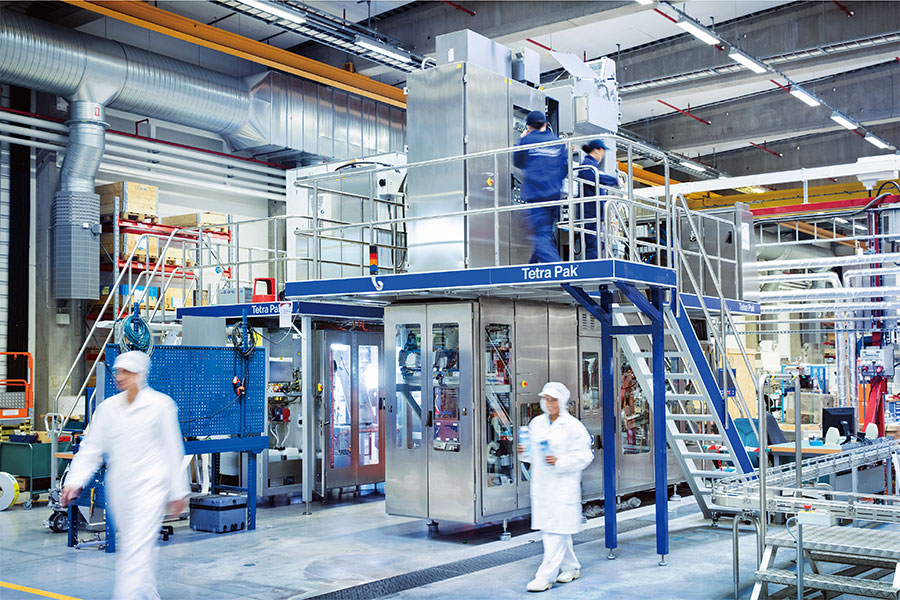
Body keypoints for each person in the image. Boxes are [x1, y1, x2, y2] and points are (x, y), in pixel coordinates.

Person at [61, 350, 189, 600]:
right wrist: (74, 481)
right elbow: (91, 447)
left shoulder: (161, 406)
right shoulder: (108, 409)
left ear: (140, 374)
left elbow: (173, 449)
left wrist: (178, 491)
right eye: (119, 372)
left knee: (135, 549)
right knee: (135, 545)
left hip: (151, 486)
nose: (120, 377)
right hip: (120, 487)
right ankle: (149, 595)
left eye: (126, 372)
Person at [518, 382, 593, 592]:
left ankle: (544, 577)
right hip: (543, 487)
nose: (549, 403)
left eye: (553, 400)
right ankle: (571, 567)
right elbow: (533, 455)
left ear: (562, 401)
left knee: (554, 533)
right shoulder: (536, 424)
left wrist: (561, 461)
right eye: (546, 399)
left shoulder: (573, 426)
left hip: (563, 488)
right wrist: (524, 452)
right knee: (556, 530)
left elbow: (585, 455)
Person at [513, 111, 568, 264]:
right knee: (544, 234)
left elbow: (518, 162)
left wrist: (522, 139)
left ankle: (558, 270)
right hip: (554, 196)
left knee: (539, 237)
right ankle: (530, 270)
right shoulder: (557, 142)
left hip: (537, 196)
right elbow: (565, 169)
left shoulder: (528, 140)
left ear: (529, 127)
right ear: (544, 124)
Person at [575, 139, 620, 260]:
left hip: (595, 214)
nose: (603, 155)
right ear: (596, 150)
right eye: (602, 151)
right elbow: (597, 178)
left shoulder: (592, 165)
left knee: (598, 244)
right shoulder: (587, 165)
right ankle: (592, 269)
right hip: (590, 214)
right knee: (593, 245)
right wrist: (615, 180)